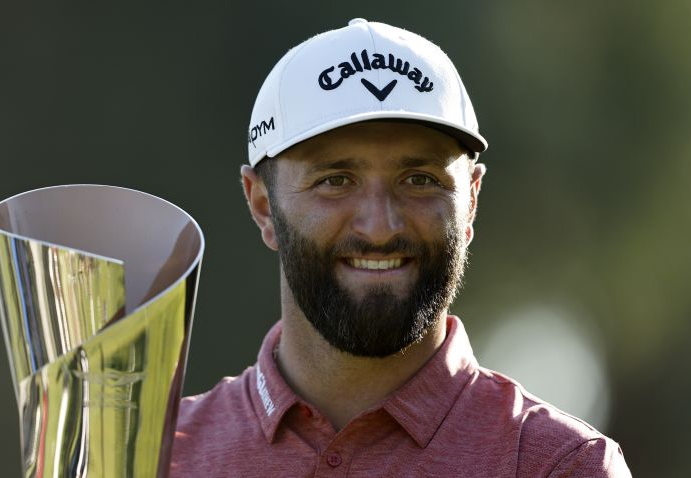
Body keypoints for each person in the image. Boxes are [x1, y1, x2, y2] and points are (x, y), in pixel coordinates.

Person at [171, 19, 631, 477]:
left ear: (470, 201)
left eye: (420, 180)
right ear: (263, 205)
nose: (379, 227)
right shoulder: (153, 455)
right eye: (335, 181)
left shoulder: (560, 465)